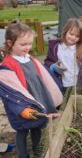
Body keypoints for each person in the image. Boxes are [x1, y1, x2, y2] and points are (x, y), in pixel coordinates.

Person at [0, 22, 63, 158]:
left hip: (36, 100)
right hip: (21, 104)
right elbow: (9, 90)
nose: (27, 47)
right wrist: (21, 108)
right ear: (10, 43)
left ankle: (38, 151)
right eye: (23, 45)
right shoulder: (7, 64)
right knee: (22, 130)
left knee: (37, 126)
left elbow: (42, 78)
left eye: (29, 44)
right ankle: (23, 155)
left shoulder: (29, 58)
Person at [44, 18, 82, 94]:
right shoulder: (55, 47)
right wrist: (52, 66)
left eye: (77, 36)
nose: (73, 38)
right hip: (61, 85)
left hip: (78, 86)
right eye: (71, 34)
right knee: (64, 105)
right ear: (65, 31)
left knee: (77, 105)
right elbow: (47, 61)